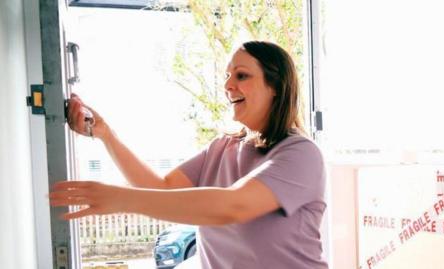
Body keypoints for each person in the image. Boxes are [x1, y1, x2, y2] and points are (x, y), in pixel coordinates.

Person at [50, 41, 328, 269]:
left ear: (276, 87)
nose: (228, 85)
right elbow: (161, 189)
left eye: (242, 75)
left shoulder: (301, 154)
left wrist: (122, 199)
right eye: (227, 76)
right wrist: (106, 135)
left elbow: (232, 207)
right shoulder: (222, 147)